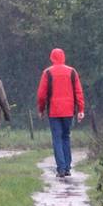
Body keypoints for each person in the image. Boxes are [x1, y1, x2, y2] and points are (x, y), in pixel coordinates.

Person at [36, 47, 85, 178]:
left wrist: (41, 109)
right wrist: (80, 109)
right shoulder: (72, 72)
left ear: (51, 58)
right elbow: (78, 92)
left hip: (54, 111)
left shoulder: (47, 73)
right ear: (64, 57)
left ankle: (61, 169)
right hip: (69, 111)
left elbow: (41, 95)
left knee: (57, 138)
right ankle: (68, 167)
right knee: (66, 137)